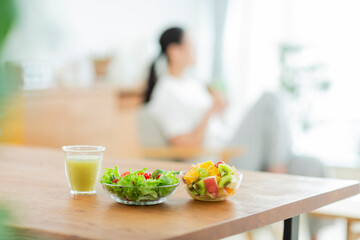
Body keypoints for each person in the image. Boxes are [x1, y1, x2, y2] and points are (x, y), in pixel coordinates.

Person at [144, 27, 291, 173]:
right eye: (191, 44)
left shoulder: (193, 84)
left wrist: (219, 109)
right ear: (174, 51)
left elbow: (213, 125)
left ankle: (279, 173)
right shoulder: (167, 91)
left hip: (228, 146)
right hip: (220, 160)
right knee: (270, 101)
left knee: (307, 164)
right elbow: (185, 151)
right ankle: (278, 177)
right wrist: (211, 110)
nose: (196, 49)